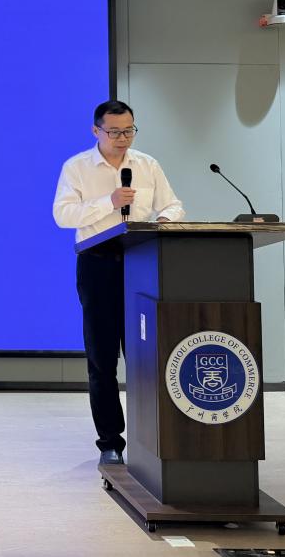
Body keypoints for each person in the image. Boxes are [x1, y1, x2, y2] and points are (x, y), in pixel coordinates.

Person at [52, 100, 184, 465]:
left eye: (129, 130)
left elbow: (173, 205)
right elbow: (63, 215)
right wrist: (108, 202)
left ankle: (153, 438)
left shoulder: (147, 165)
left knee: (148, 355)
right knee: (102, 358)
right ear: (96, 131)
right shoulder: (77, 167)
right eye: (114, 132)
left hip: (142, 262)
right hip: (98, 265)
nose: (122, 138)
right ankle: (110, 442)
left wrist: (164, 221)